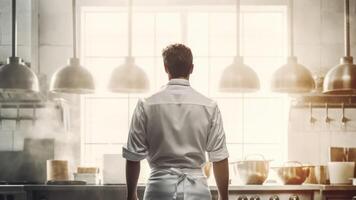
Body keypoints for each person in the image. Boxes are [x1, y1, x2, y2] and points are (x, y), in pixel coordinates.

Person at [123, 44, 229, 200]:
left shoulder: (146, 104)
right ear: (191, 68)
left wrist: (131, 195)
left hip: (158, 190)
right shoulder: (209, 106)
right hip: (197, 190)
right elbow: (219, 157)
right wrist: (224, 197)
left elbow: (133, 156)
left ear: (166, 68)